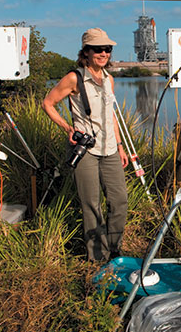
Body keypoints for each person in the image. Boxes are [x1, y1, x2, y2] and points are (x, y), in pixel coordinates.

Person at [42, 28, 129, 261]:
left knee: (119, 200)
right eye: (98, 49)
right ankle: (97, 257)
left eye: (107, 49)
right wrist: (68, 128)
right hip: (86, 151)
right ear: (86, 52)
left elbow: (111, 116)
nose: (103, 53)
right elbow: (48, 103)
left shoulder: (109, 80)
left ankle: (114, 249)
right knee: (92, 204)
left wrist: (120, 146)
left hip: (110, 148)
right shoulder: (74, 78)